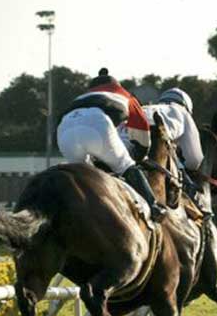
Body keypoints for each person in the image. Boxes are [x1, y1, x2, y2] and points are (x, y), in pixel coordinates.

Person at [56, 68, 166, 221]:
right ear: (116, 85)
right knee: (125, 165)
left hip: (64, 130)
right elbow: (142, 131)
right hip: (96, 123)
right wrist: (138, 156)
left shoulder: (80, 98)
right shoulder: (126, 96)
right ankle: (153, 206)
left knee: (81, 177)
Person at [142, 87, 211, 218]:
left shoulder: (147, 107)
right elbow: (194, 160)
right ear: (187, 107)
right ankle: (197, 213)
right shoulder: (183, 113)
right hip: (155, 140)